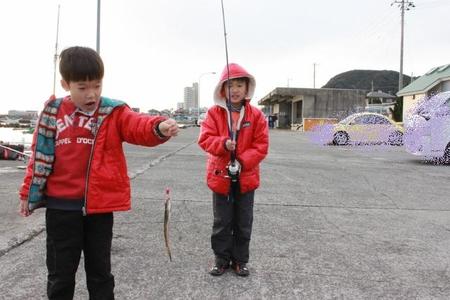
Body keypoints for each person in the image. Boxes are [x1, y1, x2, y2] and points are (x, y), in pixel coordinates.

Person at [18, 46, 179, 299]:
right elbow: (39, 155)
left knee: (100, 272)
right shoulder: (52, 112)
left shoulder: (112, 112)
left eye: (97, 85)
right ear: (65, 84)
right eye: (82, 87)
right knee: (60, 275)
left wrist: (159, 127)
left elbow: (137, 125)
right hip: (60, 210)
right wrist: (28, 192)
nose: (91, 94)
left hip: (99, 209)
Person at [198, 63, 269, 277]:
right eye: (230, 85)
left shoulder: (256, 115)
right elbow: (205, 139)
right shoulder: (213, 113)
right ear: (222, 90)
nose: (235, 90)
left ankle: (240, 260)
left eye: (240, 85)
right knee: (222, 222)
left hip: (246, 178)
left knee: (243, 222)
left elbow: (262, 145)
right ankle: (221, 259)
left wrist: (242, 160)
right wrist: (222, 144)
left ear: (248, 89)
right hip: (221, 178)